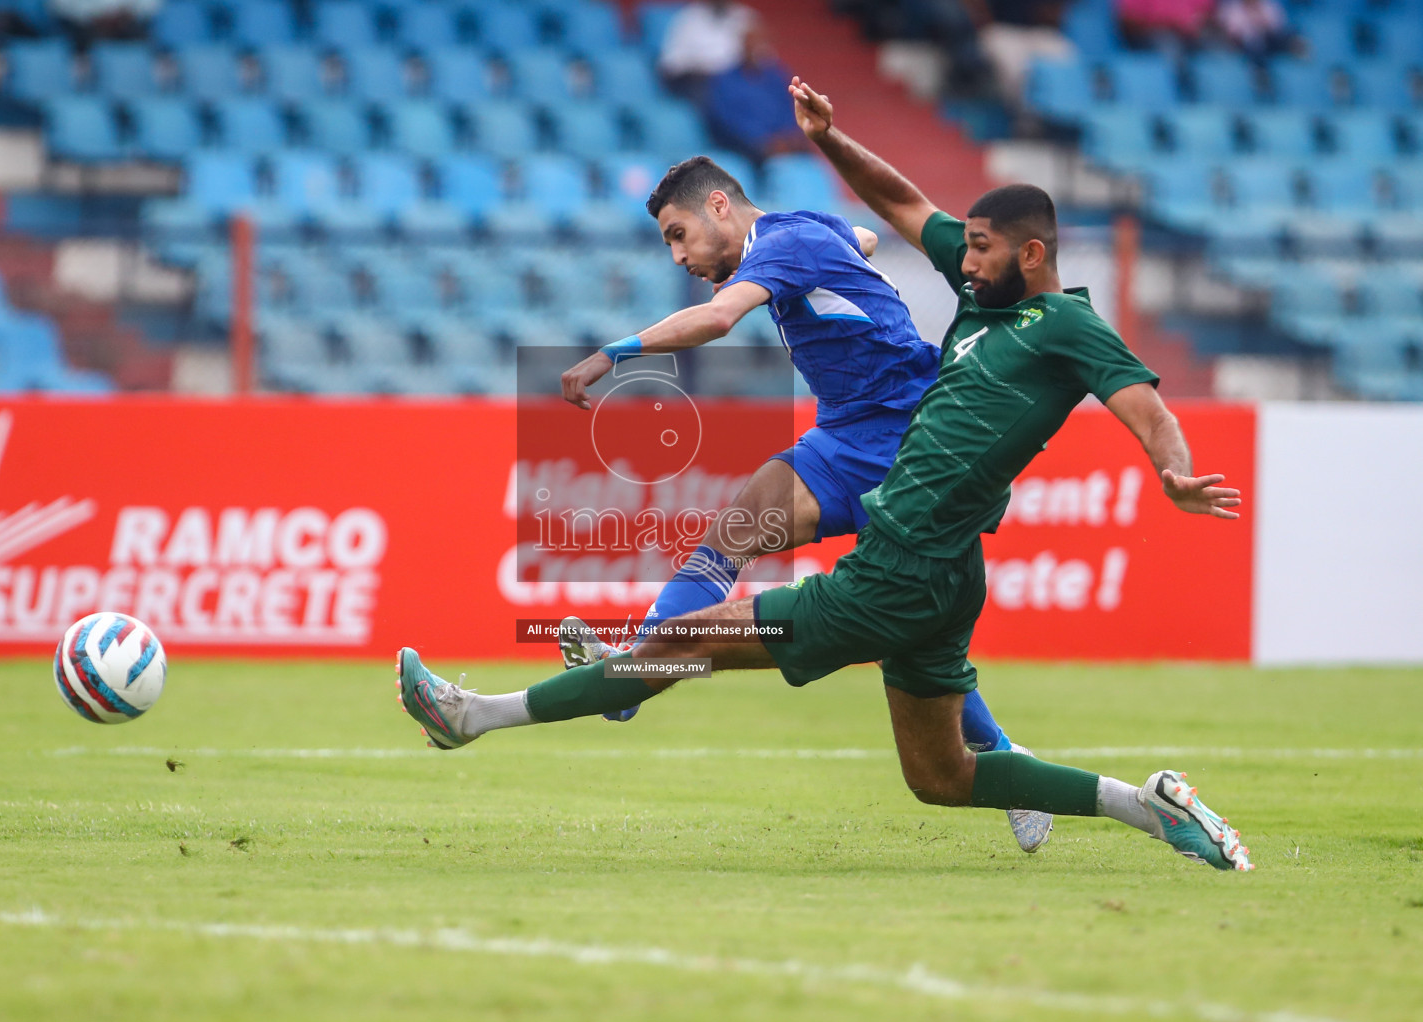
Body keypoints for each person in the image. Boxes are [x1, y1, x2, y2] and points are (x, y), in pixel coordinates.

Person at [393, 87, 1254, 870]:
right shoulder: (820, 234)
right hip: (844, 434)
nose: (679, 255)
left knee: (879, 606)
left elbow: (722, 315)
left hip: (902, 433)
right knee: (739, 538)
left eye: (679, 234)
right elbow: (883, 223)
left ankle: (613, 682)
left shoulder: (791, 245)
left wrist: (615, 353)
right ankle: (629, 678)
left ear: (721, 206)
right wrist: (841, 177)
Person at [702, 28, 814, 163]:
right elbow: (726, 120)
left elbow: (790, 108)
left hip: (782, 142)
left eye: (759, 43)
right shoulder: (725, 80)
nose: (755, 48)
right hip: (746, 145)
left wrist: (788, 137)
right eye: (750, 44)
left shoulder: (776, 76)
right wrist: (765, 140)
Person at [658, 1, 758, 102]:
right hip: (697, 80)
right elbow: (670, 64)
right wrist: (699, 68)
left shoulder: (745, 17)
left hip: (736, 80)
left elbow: (760, 59)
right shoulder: (689, 18)